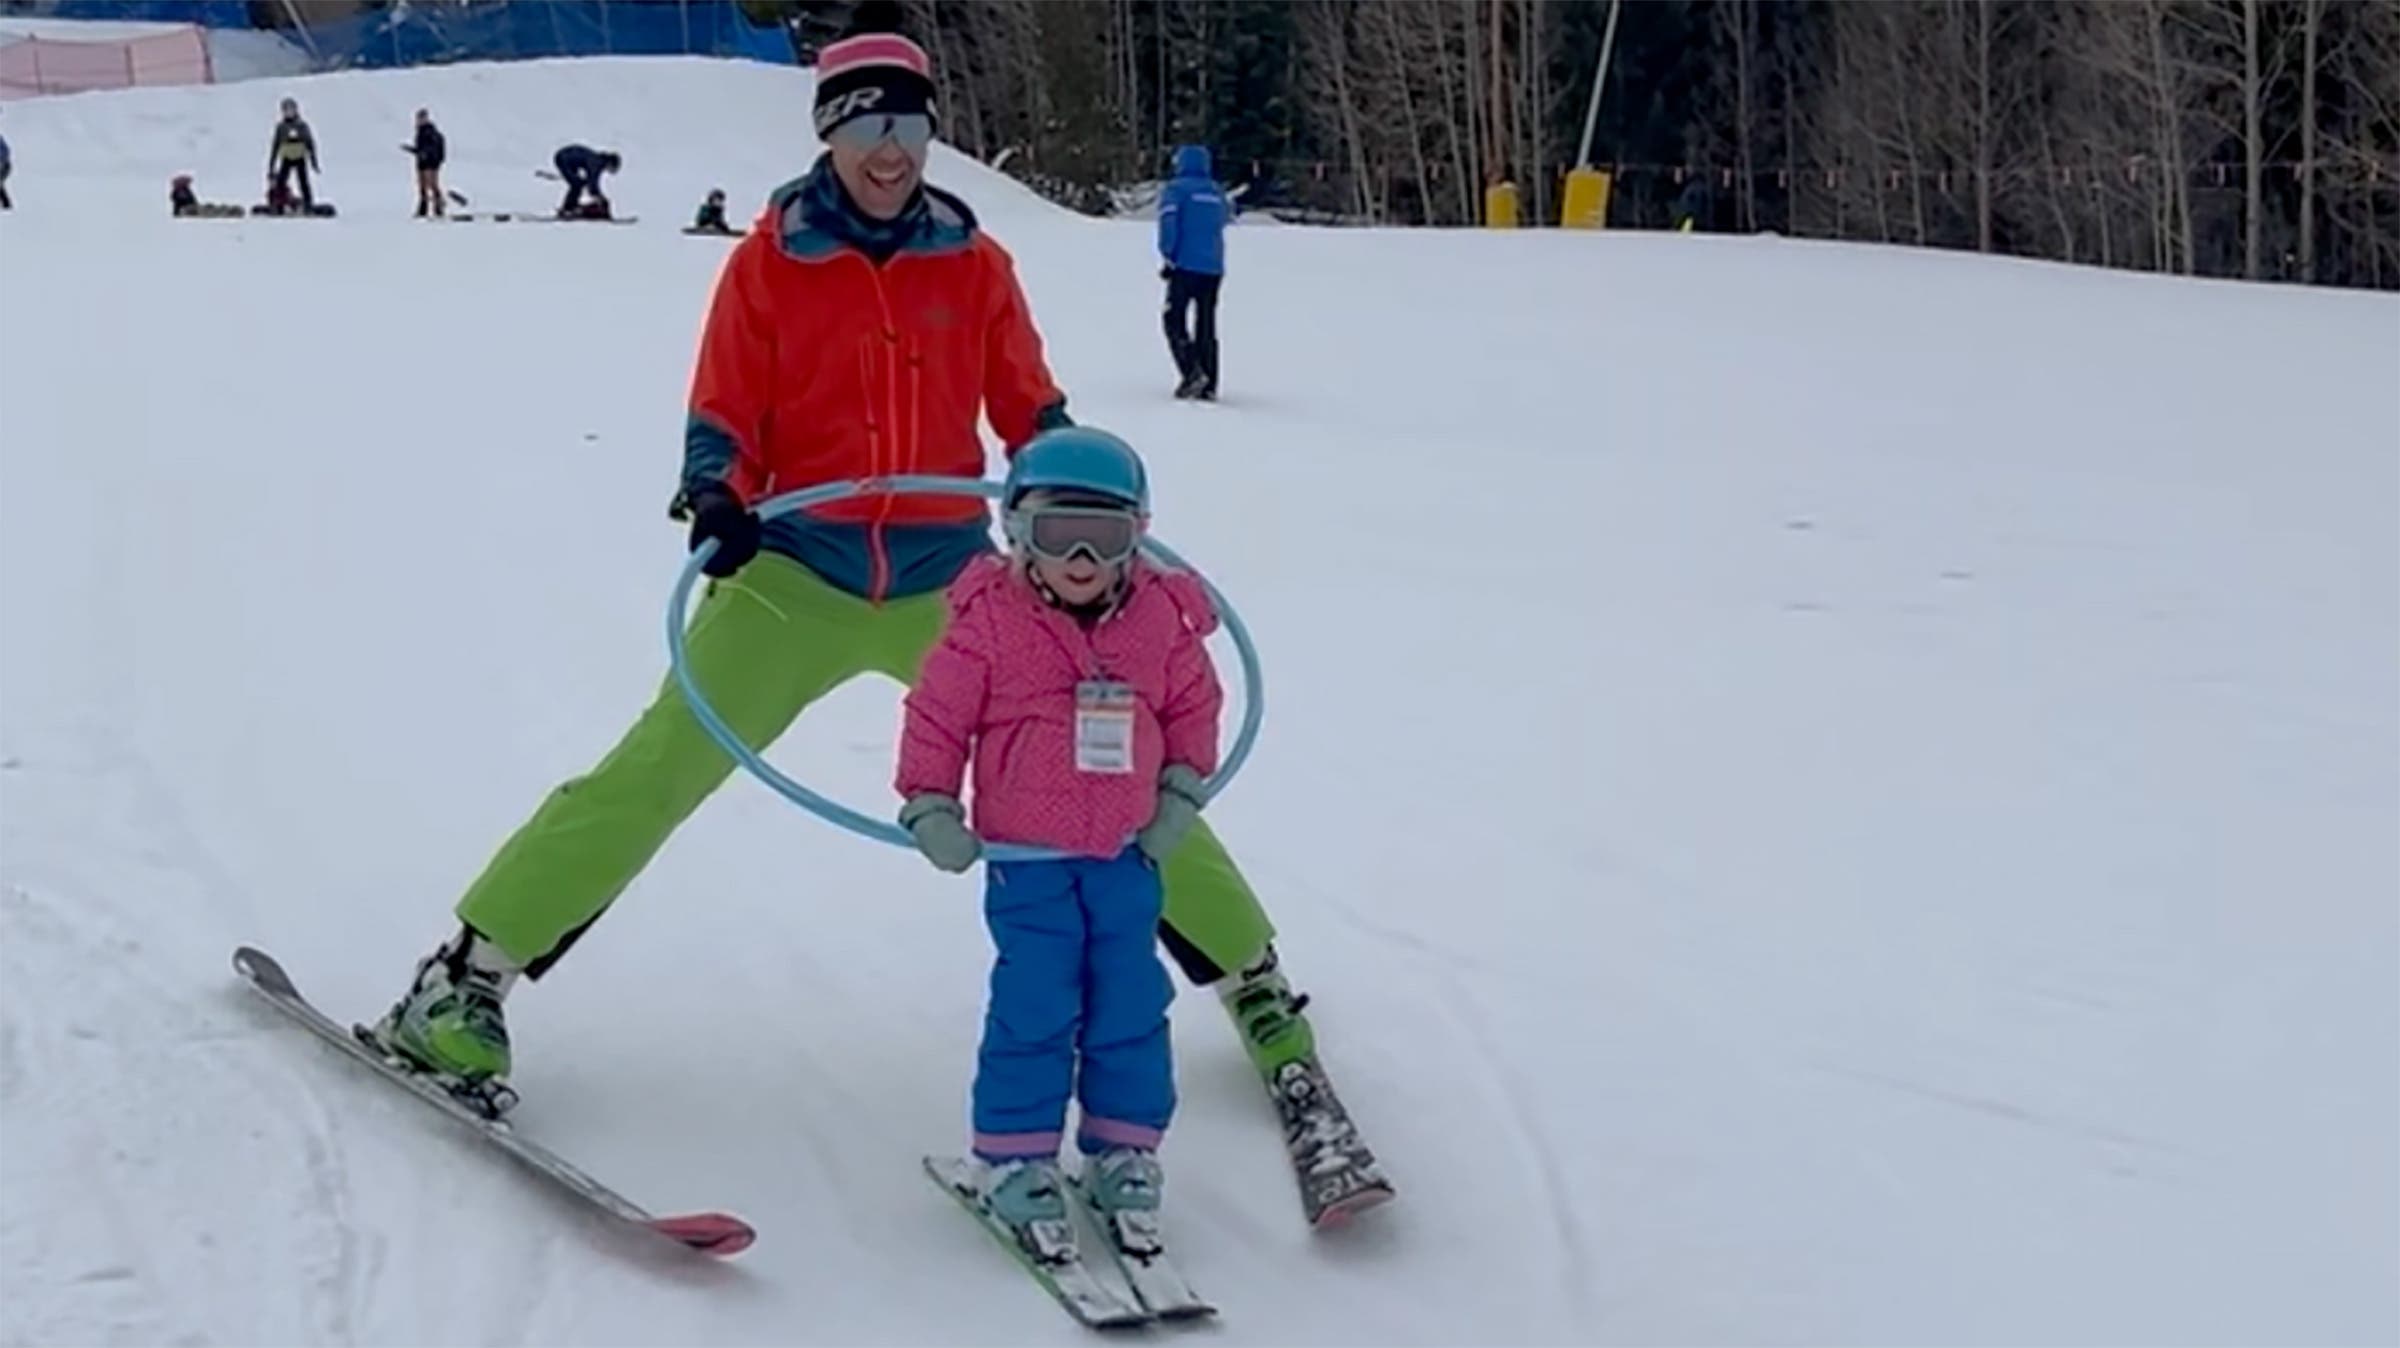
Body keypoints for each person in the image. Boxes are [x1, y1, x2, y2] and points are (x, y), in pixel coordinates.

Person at [366, 9, 1315, 1124]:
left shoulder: (973, 260)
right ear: (830, 133)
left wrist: (1079, 510)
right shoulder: (772, 264)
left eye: (909, 126)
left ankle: (1256, 981)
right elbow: (722, 411)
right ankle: (465, 977)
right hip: (795, 576)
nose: (891, 149)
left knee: (1107, 764)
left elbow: (1029, 409)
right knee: (659, 766)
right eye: (868, 125)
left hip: (953, 585)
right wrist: (716, 493)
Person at [897, 427, 1216, 1242]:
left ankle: (1123, 1148)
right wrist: (931, 802)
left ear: (1136, 537)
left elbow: (1192, 706)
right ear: (1016, 533)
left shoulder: (1158, 622)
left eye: (1104, 537)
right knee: (1037, 1001)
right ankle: (1014, 1155)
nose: (1080, 555)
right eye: (1056, 533)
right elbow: (936, 715)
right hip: (1026, 860)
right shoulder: (988, 624)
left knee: (1131, 1002)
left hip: (1123, 854)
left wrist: (1181, 788)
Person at [1157, 145, 1229, 401]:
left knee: (1173, 319)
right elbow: (1223, 220)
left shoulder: (1176, 191)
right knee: (1206, 323)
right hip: (1214, 268)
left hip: (1185, 265)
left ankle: (1191, 372)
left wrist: (1169, 255)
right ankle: (1210, 382)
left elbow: (1168, 224)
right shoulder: (1216, 192)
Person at [267, 97, 318, 214]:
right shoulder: (281, 127)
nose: (289, 113)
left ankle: (308, 205)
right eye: (286, 110)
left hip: (300, 157)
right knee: (280, 182)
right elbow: (275, 145)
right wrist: (272, 164)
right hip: (286, 158)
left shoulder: (302, 126)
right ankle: (279, 205)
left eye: (291, 110)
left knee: (303, 182)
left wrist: (314, 161)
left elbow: (310, 143)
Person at [551, 143, 620, 219]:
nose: (610, 171)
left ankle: (570, 207)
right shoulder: (596, 163)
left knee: (578, 183)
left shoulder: (597, 160)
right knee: (577, 185)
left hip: (568, 159)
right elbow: (593, 182)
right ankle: (568, 209)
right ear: (609, 163)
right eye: (613, 168)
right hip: (563, 158)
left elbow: (591, 180)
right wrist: (599, 197)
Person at [405, 109, 446, 218]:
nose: (419, 121)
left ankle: (438, 208)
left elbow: (434, 148)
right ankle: (423, 209)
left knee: (432, 185)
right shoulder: (419, 133)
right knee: (422, 187)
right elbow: (420, 148)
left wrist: (426, 153)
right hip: (421, 163)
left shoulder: (431, 132)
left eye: (421, 118)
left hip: (431, 163)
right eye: (418, 118)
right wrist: (414, 150)